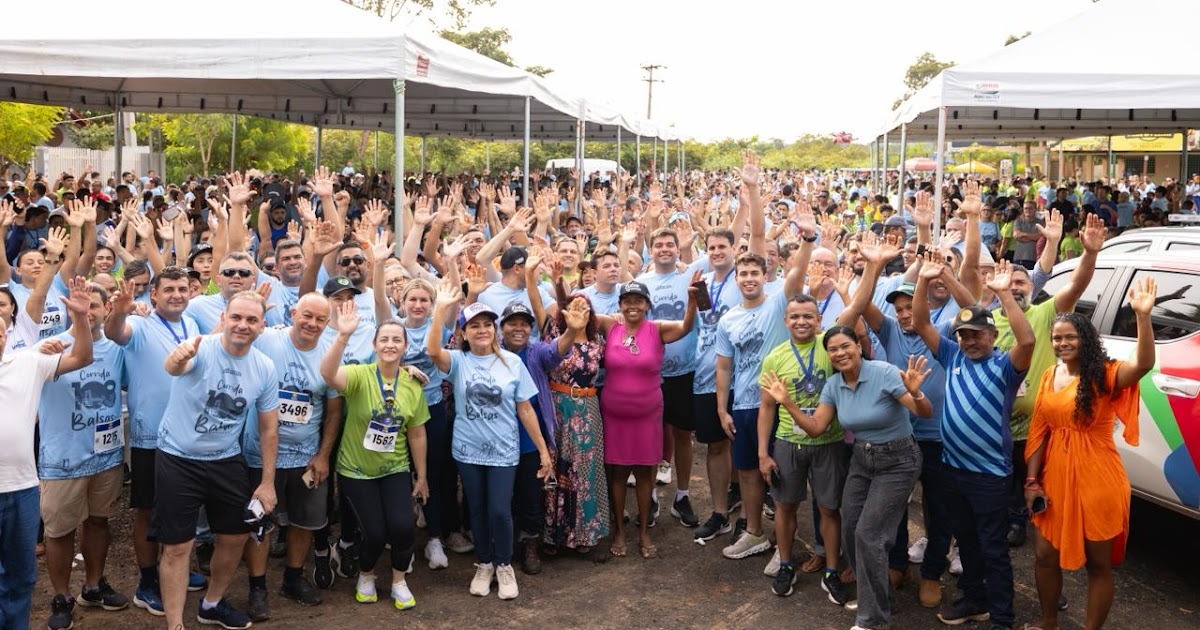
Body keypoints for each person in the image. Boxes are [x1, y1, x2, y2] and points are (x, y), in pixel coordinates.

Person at [766, 325, 932, 630]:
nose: (840, 353)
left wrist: (915, 392)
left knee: (869, 535)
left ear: (858, 345)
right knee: (852, 529)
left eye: (846, 346)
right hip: (861, 458)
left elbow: (924, 412)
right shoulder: (833, 385)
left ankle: (872, 620)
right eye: (833, 349)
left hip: (898, 460)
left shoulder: (883, 372)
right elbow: (816, 427)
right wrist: (787, 403)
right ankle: (878, 597)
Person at [1023, 278, 1158, 630]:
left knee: (1098, 565)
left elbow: (1142, 365)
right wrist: (1032, 481)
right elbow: (1039, 430)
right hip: (1055, 479)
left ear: (1085, 339)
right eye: (1057, 338)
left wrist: (1143, 317)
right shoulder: (1050, 375)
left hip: (1098, 480)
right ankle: (1049, 620)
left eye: (1070, 336)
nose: (1063, 343)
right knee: (1043, 555)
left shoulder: (1103, 374)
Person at [914, 258, 1034, 630]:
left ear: (993, 335)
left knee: (993, 549)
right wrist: (922, 281)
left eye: (977, 334)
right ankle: (974, 599)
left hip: (989, 476)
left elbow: (1027, 339)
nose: (969, 341)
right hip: (953, 470)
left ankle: (1001, 618)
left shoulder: (1006, 367)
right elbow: (921, 323)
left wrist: (1002, 294)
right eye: (964, 334)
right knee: (966, 542)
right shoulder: (952, 356)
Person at [155, 291, 280, 630]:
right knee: (178, 546)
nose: (243, 325)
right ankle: (174, 624)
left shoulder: (265, 367)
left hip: (226, 458)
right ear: (223, 318)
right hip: (178, 457)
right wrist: (178, 358)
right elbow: (175, 366)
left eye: (251, 320)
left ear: (262, 326)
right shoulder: (201, 347)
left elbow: (269, 429)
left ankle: (211, 604)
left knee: (236, 536)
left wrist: (267, 482)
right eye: (236, 317)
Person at [427, 284, 553, 600]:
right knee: (479, 509)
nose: (482, 330)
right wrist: (440, 310)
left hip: (504, 450)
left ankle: (504, 564)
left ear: (494, 330)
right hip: (467, 451)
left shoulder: (512, 362)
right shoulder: (458, 361)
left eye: (487, 325)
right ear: (465, 333)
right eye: (474, 326)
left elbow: (525, 408)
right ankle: (484, 563)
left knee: (499, 510)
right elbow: (432, 352)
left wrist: (542, 450)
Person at [103, 267, 208, 614]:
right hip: (151, 437)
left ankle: (175, 568)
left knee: (182, 507)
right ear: (154, 295)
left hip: (187, 435)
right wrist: (119, 309)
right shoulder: (141, 326)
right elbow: (116, 333)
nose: (177, 294)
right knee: (147, 511)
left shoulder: (191, 325)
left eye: (182, 288)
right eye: (169, 290)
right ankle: (147, 582)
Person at [239, 293, 344, 619]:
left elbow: (333, 412)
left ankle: (293, 579)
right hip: (259, 453)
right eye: (307, 316)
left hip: (305, 456)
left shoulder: (330, 353)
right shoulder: (267, 340)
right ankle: (257, 588)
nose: (312, 324)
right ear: (294, 312)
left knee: (304, 520)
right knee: (260, 522)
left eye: (320, 320)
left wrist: (324, 454)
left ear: (327, 324)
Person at [320, 300, 430, 610]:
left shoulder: (412, 384)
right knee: (375, 531)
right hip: (356, 470)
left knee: (403, 527)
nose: (390, 344)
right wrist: (342, 336)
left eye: (397, 339)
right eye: (384, 339)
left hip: (394, 466)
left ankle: (398, 581)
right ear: (374, 344)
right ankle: (366, 575)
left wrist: (421, 477)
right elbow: (328, 374)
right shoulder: (359, 375)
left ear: (405, 346)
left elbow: (417, 432)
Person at [0, 277, 93, 630]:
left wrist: (81, 318)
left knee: (22, 577)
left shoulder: (27, 361)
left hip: (22, 490)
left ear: (7, 334)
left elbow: (82, 356)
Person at [37, 282, 129, 630]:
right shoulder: (52, 347)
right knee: (59, 531)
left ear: (106, 310)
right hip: (63, 459)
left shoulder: (120, 350)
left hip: (105, 456)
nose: (87, 311)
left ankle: (93, 585)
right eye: (80, 305)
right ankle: (61, 596)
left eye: (93, 305)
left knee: (99, 522)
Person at [755, 295, 851, 605]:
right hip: (788, 443)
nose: (801, 322)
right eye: (795, 316)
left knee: (829, 508)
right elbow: (766, 408)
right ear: (786, 321)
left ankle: (832, 570)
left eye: (808, 316)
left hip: (829, 442)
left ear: (819, 320)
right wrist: (762, 453)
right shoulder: (775, 357)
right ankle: (785, 565)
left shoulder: (830, 348)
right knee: (785, 506)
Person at [595, 279, 697, 559]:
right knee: (617, 474)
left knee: (644, 474)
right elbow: (577, 313)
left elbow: (686, 326)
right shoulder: (610, 325)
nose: (632, 306)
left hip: (648, 414)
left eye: (638, 301)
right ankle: (617, 530)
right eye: (627, 301)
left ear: (647, 305)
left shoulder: (657, 329)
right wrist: (557, 284)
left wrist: (691, 300)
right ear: (620, 305)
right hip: (615, 414)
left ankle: (643, 533)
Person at [495, 297, 588, 573]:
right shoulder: (490, 351)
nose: (518, 329)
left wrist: (571, 331)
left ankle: (529, 544)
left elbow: (556, 352)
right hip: (496, 436)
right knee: (500, 495)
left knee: (529, 494)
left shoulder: (535, 352)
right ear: (502, 327)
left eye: (524, 324)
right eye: (512, 323)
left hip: (530, 438)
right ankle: (499, 543)